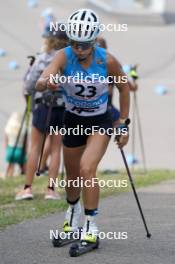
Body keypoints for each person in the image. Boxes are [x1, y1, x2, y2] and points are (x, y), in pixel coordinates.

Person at [36, 9, 130, 245]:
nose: (79, 49)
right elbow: (44, 78)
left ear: (94, 40)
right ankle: (72, 215)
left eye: (85, 44)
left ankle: (91, 226)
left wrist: (122, 123)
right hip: (73, 121)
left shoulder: (106, 60)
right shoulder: (63, 56)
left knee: (87, 169)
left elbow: (125, 88)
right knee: (72, 179)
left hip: (99, 121)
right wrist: (44, 82)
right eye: (75, 43)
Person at [15, 23, 69, 200]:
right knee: (55, 150)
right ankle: (51, 190)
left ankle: (28, 188)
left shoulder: (43, 58)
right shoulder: (69, 60)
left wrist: (29, 97)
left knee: (35, 148)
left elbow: (29, 85)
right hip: (62, 109)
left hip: (43, 107)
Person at [96, 36, 137, 127]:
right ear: (106, 48)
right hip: (106, 108)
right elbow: (131, 87)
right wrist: (134, 74)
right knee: (123, 125)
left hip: (82, 109)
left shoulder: (83, 63)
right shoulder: (112, 64)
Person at [4, 112, 27, 177]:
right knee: (24, 166)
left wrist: (8, 151)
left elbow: (6, 142)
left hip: (10, 150)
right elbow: (25, 144)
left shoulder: (8, 129)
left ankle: (9, 176)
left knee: (10, 166)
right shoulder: (23, 129)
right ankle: (24, 175)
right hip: (20, 151)